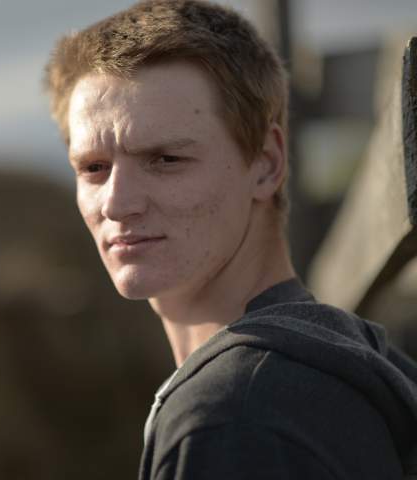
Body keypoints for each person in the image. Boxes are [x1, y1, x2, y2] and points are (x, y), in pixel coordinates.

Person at [44, 0, 417, 478]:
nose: (116, 204)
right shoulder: (342, 364)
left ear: (266, 164)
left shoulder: (232, 420)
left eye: (166, 159)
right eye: (93, 168)